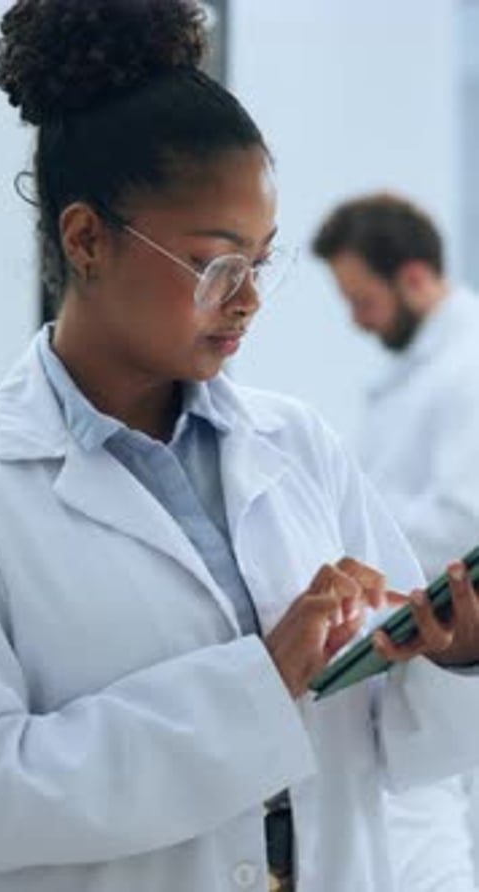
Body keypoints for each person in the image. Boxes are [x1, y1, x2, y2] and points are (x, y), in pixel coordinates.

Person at [0, 4, 479, 892]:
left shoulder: (298, 445)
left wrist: (451, 658)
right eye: (216, 265)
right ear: (86, 239)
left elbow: (400, 759)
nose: (248, 300)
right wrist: (258, 682)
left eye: (261, 262)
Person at [311, 192, 479, 890]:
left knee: (433, 848)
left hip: (443, 658)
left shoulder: (468, 368)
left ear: (413, 278)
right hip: (404, 669)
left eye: (363, 300)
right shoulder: (412, 373)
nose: (356, 319)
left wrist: (342, 530)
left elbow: (465, 521)